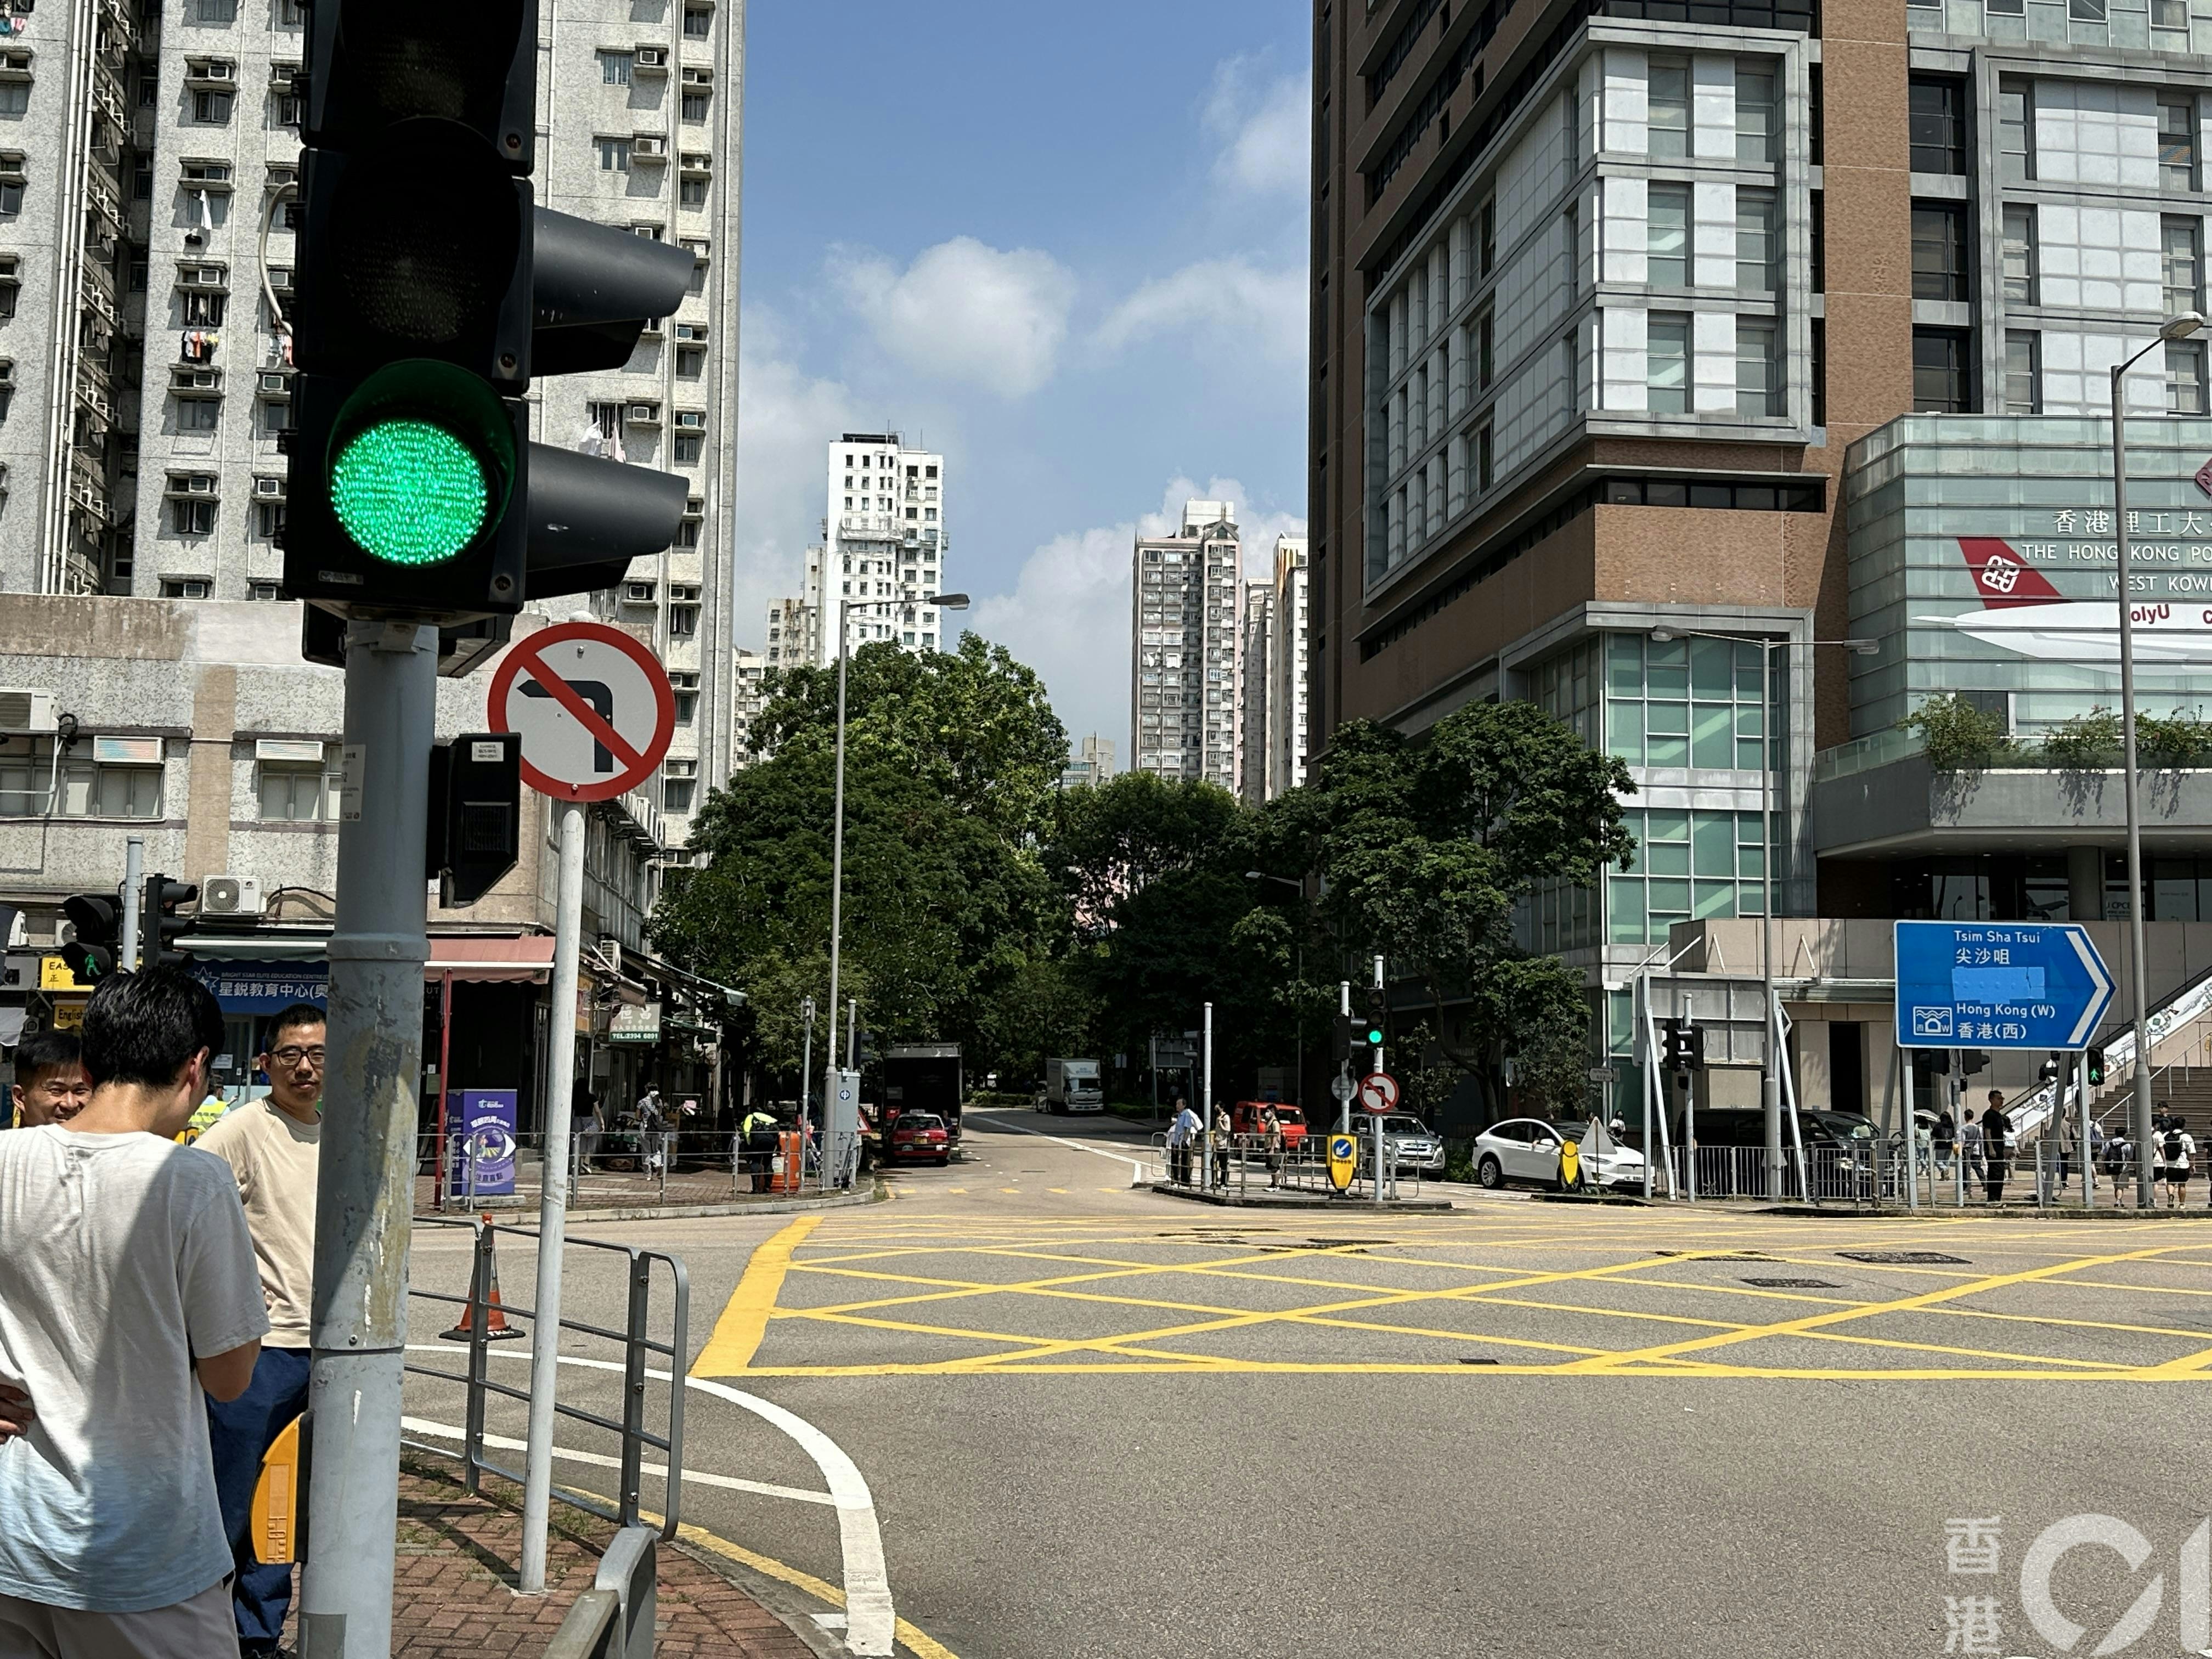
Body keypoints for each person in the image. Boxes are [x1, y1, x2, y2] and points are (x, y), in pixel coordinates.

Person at [0, 965, 267, 1657]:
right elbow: (231, 1376)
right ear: (197, 1065)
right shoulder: (192, 1179)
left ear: (91, 1059)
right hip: (143, 1552)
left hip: (13, 1531)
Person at [191, 1002, 323, 1659]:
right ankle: (208, 1632)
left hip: (330, 1353)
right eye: (291, 1054)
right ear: (264, 1062)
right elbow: (188, 1205)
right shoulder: (242, 1130)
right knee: (231, 1503)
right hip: (261, 1351)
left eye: (319, 1054)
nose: (306, 1067)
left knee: (290, 1509)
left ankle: (259, 1636)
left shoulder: (340, 1133)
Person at [7, 1029, 89, 1130]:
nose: (70, 1104)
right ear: (20, 1097)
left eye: (80, 1091)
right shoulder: (5, 1144)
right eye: (57, 1091)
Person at [2156, 1115, 2194, 1209]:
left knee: (2170, 1183)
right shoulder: (2186, 1136)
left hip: (2170, 1164)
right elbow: (2192, 1152)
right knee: (2182, 1184)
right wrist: (2192, 1164)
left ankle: (2170, 1196)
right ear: (2184, 1125)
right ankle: (2182, 1203)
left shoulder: (2166, 1135)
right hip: (2182, 1164)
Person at [1981, 1090, 2012, 1204]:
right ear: (1992, 1100)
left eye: (2002, 1099)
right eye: (1999, 1099)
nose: (2002, 1101)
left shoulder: (1999, 1115)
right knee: (1995, 1173)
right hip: (1993, 1148)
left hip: (1999, 1148)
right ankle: (1993, 1198)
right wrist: (1991, 1148)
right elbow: (1987, 1131)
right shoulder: (1989, 1115)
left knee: (2000, 1173)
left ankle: (1997, 1198)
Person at [740, 1103, 778, 1192]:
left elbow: (747, 1132)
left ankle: (756, 1188)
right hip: (770, 1141)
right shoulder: (767, 1118)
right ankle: (767, 1187)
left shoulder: (751, 1117)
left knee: (756, 1162)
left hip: (757, 1141)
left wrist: (749, 1147)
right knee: (768, 1162)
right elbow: (777, 1130)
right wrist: (777, 1146)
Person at [1166, 1097, 1199, 1187]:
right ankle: (1176, 1179)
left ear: (1184, 1105)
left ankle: (1184, 1181)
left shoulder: (1186, 1115)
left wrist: (1184, 1140)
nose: (1177, 1106)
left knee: (1184, 1161)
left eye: (1179, 1104)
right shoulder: (1179, 1115)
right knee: (1175, 1161)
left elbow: (1187, 1128)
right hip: (1177, 1142)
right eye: (1176, 1104)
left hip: (1183, 1142)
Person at [572, 1076, 601, 1172]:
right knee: (592, 1140)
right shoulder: (592, 1097)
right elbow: (597, 1111)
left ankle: (578, 1166)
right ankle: (586, 1162)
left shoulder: (574, 1098)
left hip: (576, 1120)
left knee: (578, 1142)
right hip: (589, 1120)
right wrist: (602, 1122)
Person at [636, 1086, 667, 1173]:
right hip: (655, 1128)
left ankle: (648, 1173)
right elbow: (660, 1115)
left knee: (646, 1150)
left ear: (647, 1091)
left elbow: (637, 1116)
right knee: (656, 1148)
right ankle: (657, 1164)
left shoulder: (641, 1102)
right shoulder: (659, 1102)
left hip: (645, 1128)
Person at [1960, 1108, 1984, 1194]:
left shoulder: (1963, 1128)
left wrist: (1959, 1151)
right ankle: (1984, 1183)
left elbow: (1962, 1140)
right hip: (1976, 1149)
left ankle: (1965, 1186)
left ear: (1965, 1117)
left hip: (1966, 1149)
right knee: (1977, 1167)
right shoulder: (1977, 1128)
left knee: (1965, 1169)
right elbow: (1980, 1140)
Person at [1261, 1105, 1286, 1189]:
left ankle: (1277, 1185)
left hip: (1274, 1147)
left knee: (1275, 1167)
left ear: (1273, 1112)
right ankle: (1273, 1183)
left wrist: (1272, 1149)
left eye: (1268, 1111)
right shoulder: (1269, 1122)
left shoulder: (1275, 1123)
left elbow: (1275, 1136)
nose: (1267, 1113)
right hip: (1268, 1146)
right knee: (1271, 1167)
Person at [1210, 1103, 1232, 1189]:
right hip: (1217, 1144)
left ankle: (1224, 1183)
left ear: (1222, 1108)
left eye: (1218, 1108)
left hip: (1223, 1144)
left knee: (1223, 1165)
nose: (1217, 1110)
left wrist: (1221, 1123)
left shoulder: (1225, 1117)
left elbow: (1228, 1130)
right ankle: (1214, 1181)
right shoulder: (1217, 1117)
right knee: (1213, 1163)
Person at [1932, 1108, 1956, 1179]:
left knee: (1938, 1161)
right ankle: (1944, 1175)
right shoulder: (1952, 1126)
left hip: (1940, 1146)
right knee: (1946, 1160)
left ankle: (1945, 1170)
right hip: (1950, 1145)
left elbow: (1933, 1135)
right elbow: (1955, 1136)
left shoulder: (1938, 1126)